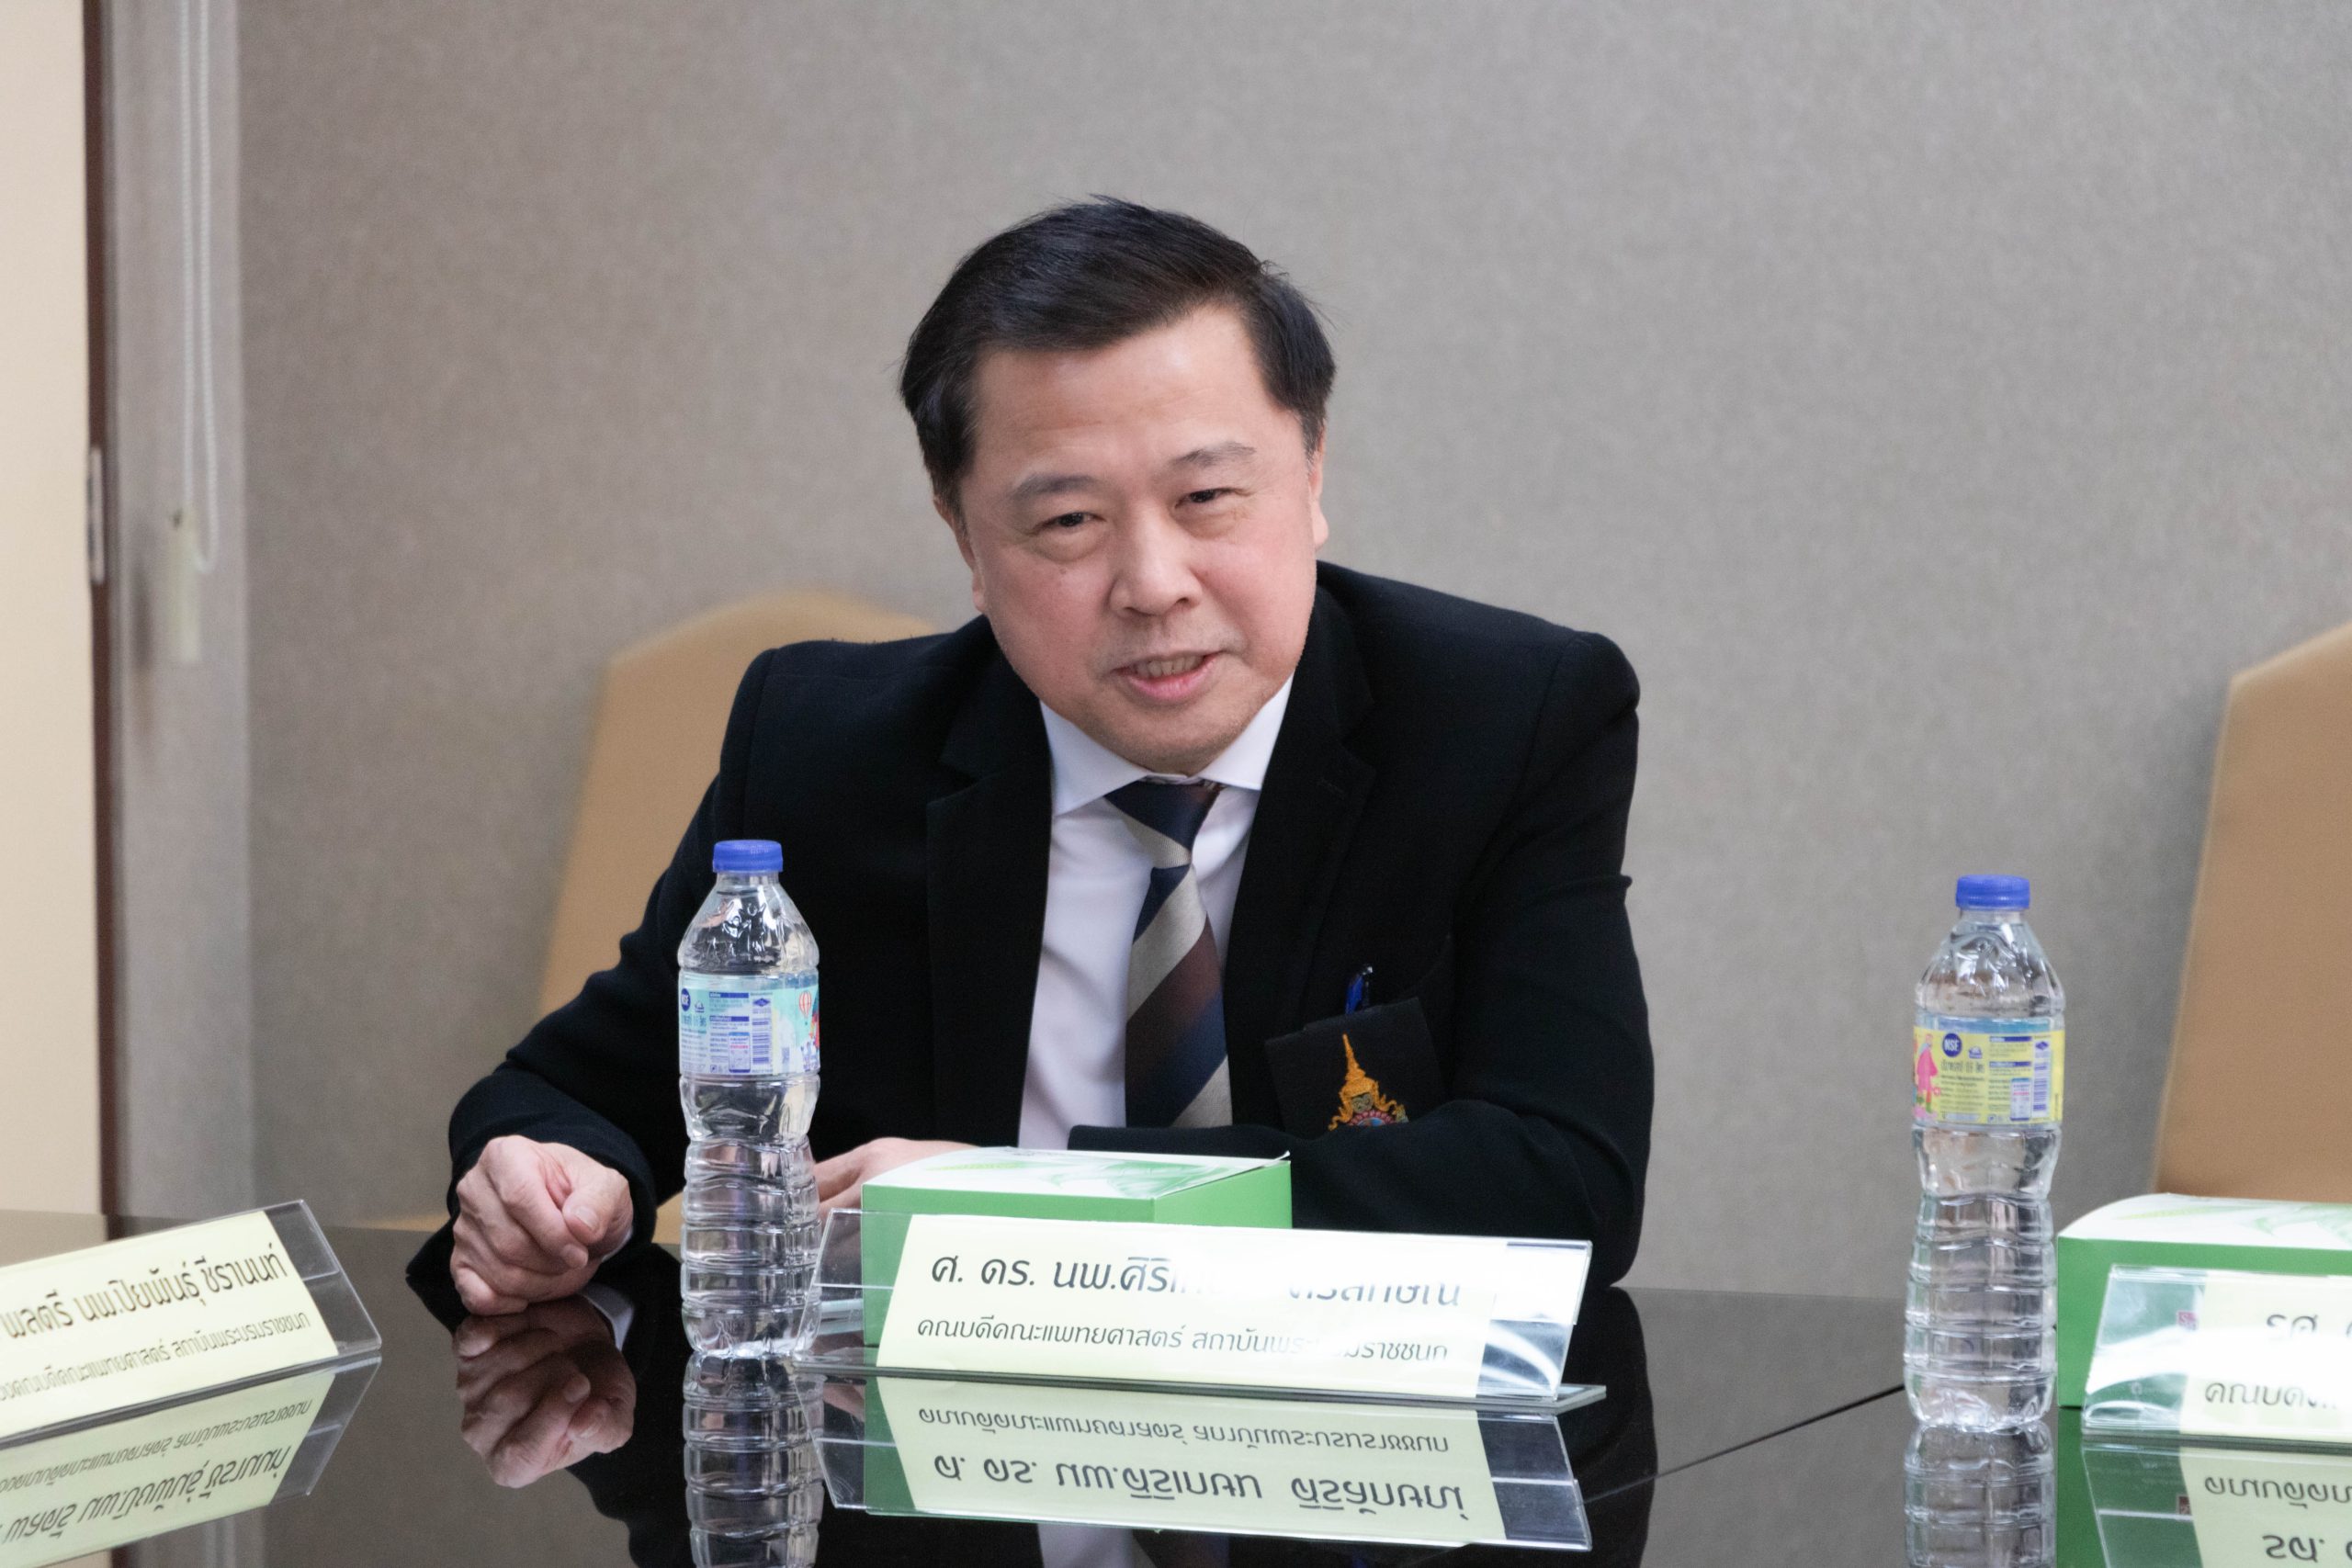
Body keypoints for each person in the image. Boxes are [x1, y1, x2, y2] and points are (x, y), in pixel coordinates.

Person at [428, 197, 1652, 1318]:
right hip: (932, 1457)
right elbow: (583, 1089)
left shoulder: (1503, 721)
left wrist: (1036, 1206)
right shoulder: (827, 748)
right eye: (1069, 521)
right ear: (966, 537)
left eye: (1208, 499)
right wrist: (549, 1178)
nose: (1154, 585)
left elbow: (1565, 1185)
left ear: (1314, 471)